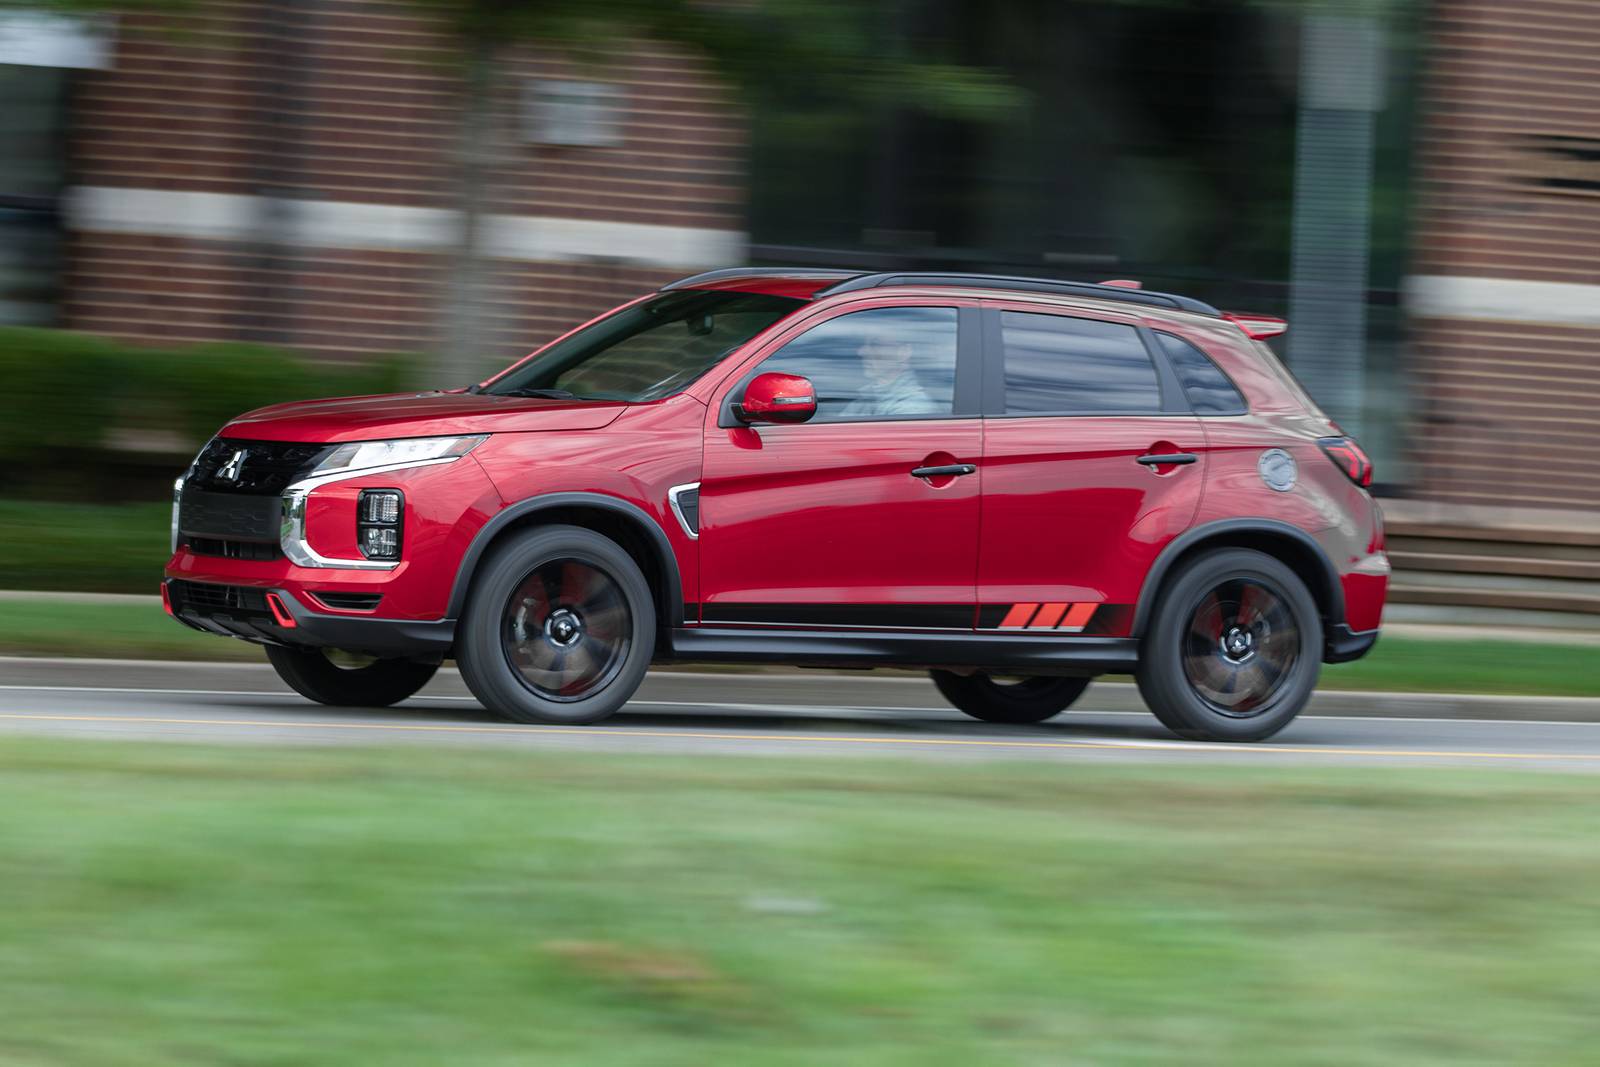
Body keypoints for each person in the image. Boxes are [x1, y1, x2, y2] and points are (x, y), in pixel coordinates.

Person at [838, 326, 938, 418]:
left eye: (875, 344)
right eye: (863, 344)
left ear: (903, 352)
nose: (861, 352)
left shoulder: (912, 407)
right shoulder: (869, 396)